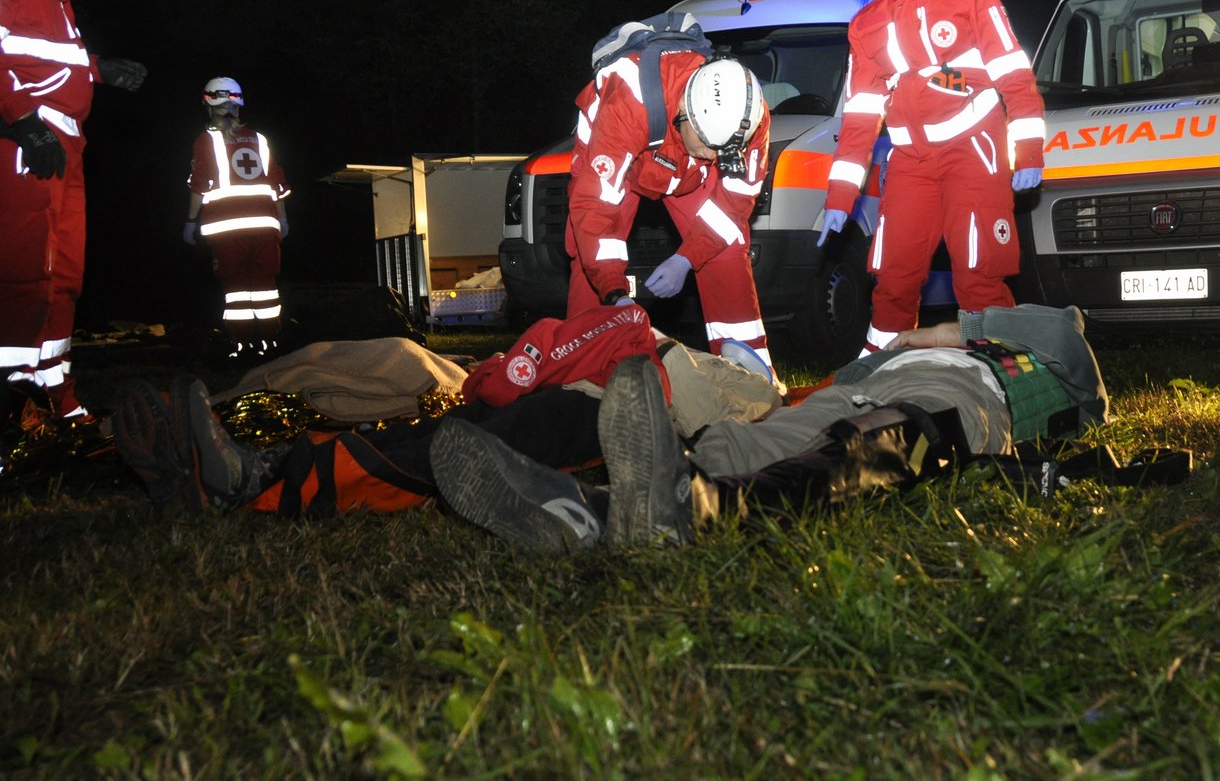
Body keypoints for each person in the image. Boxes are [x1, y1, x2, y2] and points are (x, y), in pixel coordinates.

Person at [429, 303, 1110, 555]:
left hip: (950, 398)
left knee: (875, 446)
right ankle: (615, 505)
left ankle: (690, 508)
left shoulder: (1027, 358)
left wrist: (946, 332)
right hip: (860, 385)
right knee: (743, 438)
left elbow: (1066, 336)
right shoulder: (883, 357)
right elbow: (846, 375)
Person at [110, 302, 781, 522]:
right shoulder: (670, 353)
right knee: (431, 441)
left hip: (595, 419)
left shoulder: (725, 380)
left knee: (434, 453)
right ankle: (249, 468)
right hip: (590, 411)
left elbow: (719, 408)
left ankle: (248, 482)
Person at [815, 0, 1046, 355]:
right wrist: (839, 195)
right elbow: (860, 116)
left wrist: (1027, 152)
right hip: (910, 162)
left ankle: (1001, 385)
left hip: (974, 149)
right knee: (893, 280)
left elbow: (1014, 76)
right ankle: (883, 379)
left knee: (979, 277)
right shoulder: (866, 24)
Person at [0, 0, 145, 424]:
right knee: (22, 272)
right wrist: (17, 119)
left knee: (62, 275)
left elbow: (38, 46)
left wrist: (96, 69)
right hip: (23, 137)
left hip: (64, 139)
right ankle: (10, 408)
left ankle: (55, 397)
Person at [565, 49, 777, 375]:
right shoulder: (628, 101)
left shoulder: (749, 117)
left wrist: (686, 258)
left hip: (681, 164)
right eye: (707, 143)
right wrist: (615, 293)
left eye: (721, 151)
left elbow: (734, 203)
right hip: (622, 151)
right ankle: (582, 373)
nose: (712, 156)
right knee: (590, 254)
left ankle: (748, 372)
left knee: (728, 248)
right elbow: (595, 209)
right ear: (684, 110)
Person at [183, 77, 290, 358]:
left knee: (236, 289)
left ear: (208, 105)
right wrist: (282, 219)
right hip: (266, 225)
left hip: (226, 227)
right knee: (266, 286)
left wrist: (190, 221)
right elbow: (277, 184)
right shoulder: (261, 139)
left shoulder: (206, 140)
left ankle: (241, 344)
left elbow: (199, 184)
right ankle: (270, 343)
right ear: (239, 104)